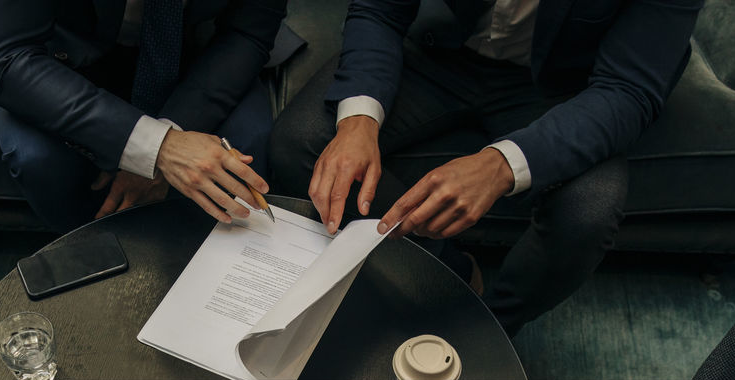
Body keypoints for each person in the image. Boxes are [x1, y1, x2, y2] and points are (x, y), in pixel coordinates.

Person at [269, 0, 704, 336]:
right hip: (441, 54)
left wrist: (501, 164)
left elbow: (628, 90)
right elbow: (380, 10)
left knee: (588, 211)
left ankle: (488, 329)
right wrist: (359, 120)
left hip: (565, 87)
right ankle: (453, 276)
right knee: (300, 144)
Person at [0, 0, 288, 232]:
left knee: (249, 144)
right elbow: (10, 60)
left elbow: (248, 29)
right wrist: (158, 149)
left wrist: (173, 130)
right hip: (55, 46)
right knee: (37, 160)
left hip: (193, 41)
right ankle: (93, 263)